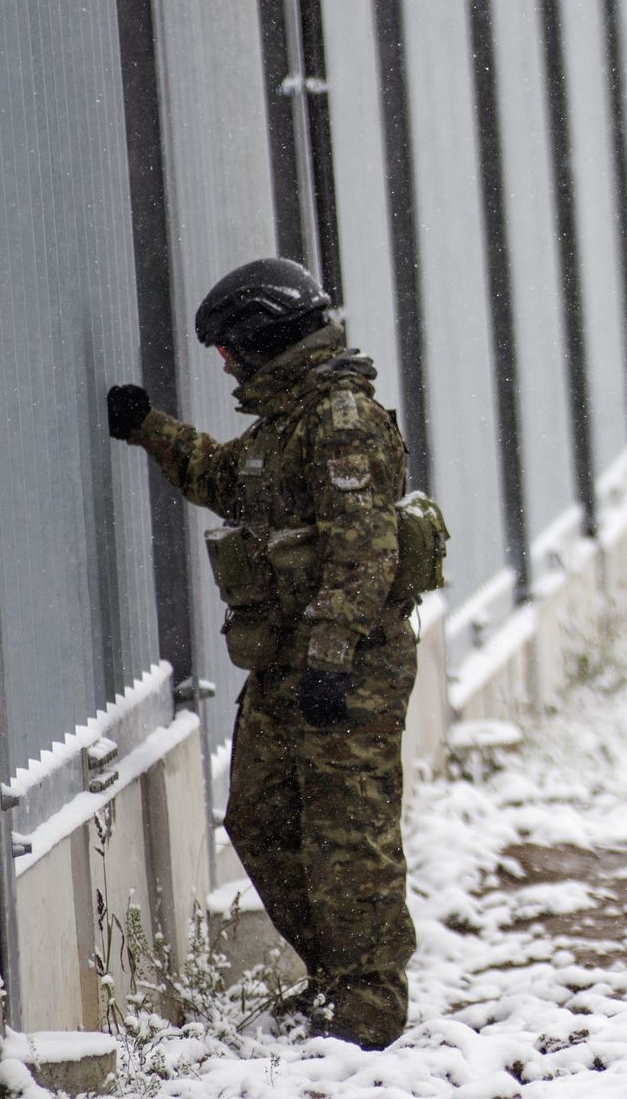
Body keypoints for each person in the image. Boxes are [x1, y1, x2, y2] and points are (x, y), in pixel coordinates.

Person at [106, 257, 417, 1049]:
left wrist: (331, 654)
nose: (227, 365)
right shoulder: (288, 425)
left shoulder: (338, 418)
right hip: (291, 664)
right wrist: (151, 428)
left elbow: (366, 553)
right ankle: (335, 979)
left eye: (230, 349)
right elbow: (228, 479)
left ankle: (370, 1005)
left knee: (348, 835)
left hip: (345, 669)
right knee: (261, 819)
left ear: (265, 338)